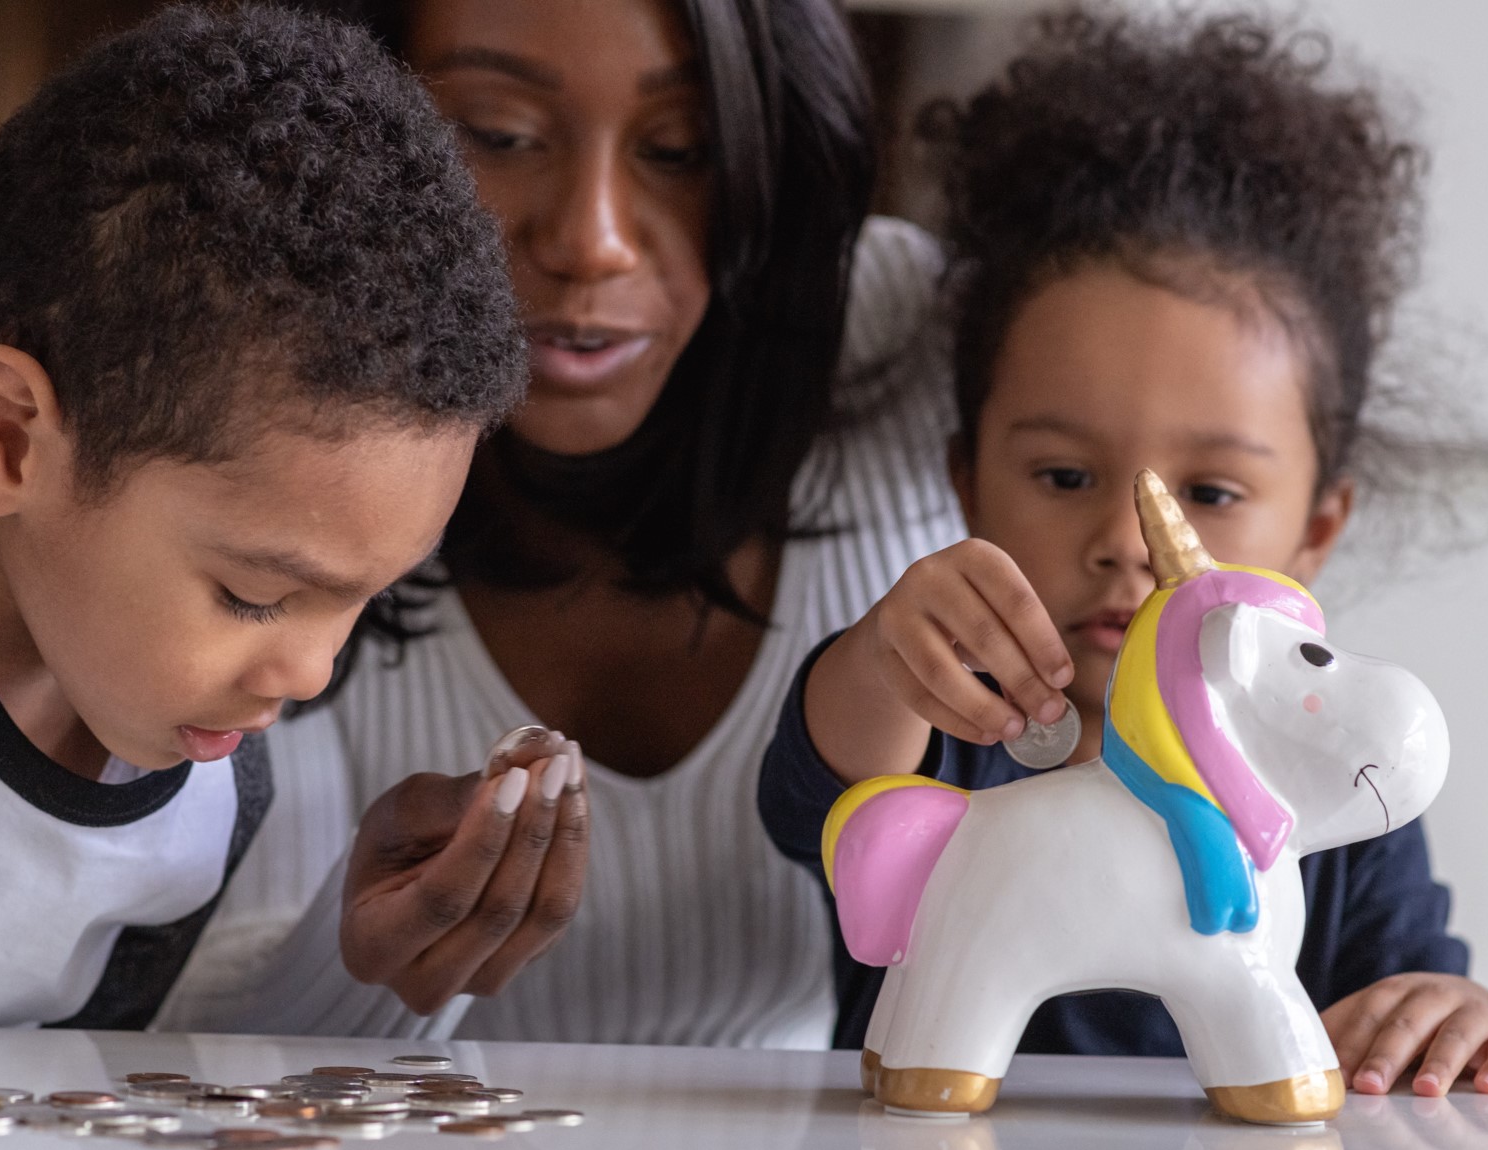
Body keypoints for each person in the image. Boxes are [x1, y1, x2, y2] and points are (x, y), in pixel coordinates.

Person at [0, 5, 537, 1026]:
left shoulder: (210, 790)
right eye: (254, 595)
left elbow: (88, 1120)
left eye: (363, 601)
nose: (308, 675)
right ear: (9, 439)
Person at [157, 0, 964, 1046]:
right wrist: (359, 969)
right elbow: (196, 1045)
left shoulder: (916, 336)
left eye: (681, 149)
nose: (591, 241)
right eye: (497, 134)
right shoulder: (245, 390)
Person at [758, 8, 1488, 1097]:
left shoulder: (1328, 781)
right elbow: (816, 805)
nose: (1127, 543)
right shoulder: (964, 725)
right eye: (1064, 478)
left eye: (1210, 492)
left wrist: (1450, 1017)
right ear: (965, 482)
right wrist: (890, 654)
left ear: (1315, 530)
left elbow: (1407, 1048)